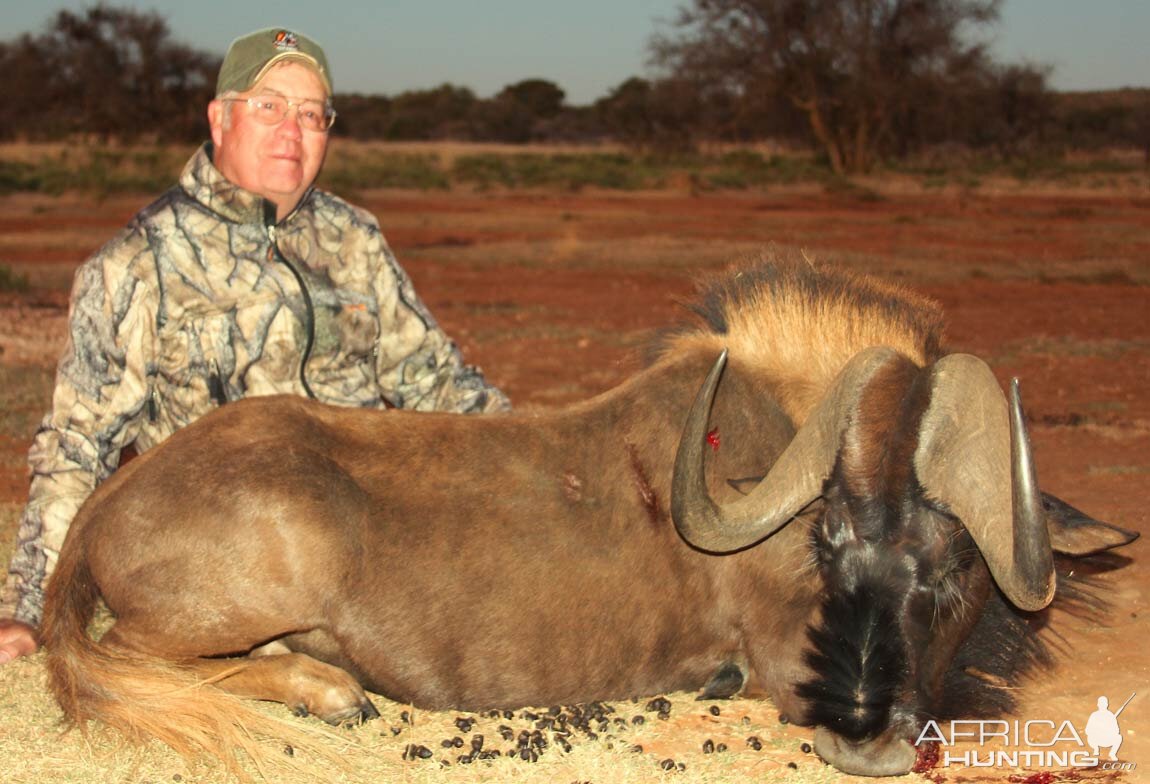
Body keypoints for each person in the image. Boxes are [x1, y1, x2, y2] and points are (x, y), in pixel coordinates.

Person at [0, 27, 509, 664]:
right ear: (221, 119)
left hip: (371, 543)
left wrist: (544, 468)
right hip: (232, 558)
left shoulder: (354, 239)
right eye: (268, 106)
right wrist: (28, 609)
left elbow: (436, 382)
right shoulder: (135, 264)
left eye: (311, 114)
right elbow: (79, 443)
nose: (291, 132)